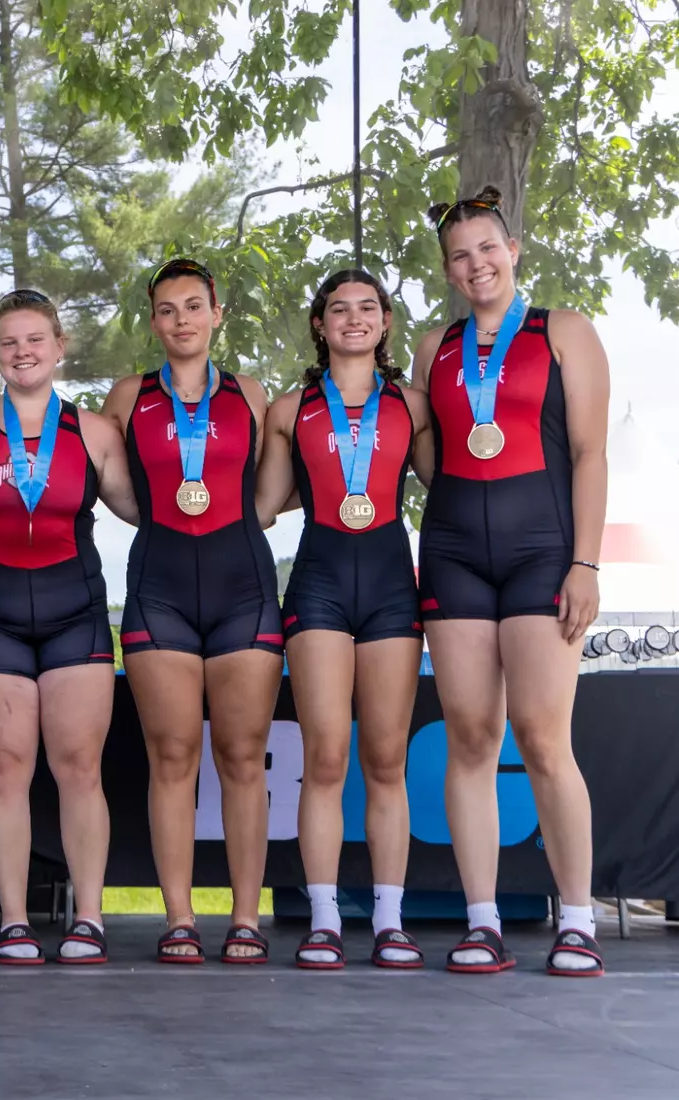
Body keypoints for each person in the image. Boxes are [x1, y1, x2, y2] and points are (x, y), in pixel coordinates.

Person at [410, 187, 608, 976]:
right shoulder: (435, 347)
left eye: (487, 247)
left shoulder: (565, 331)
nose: (476, 263)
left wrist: (585, 562)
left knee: (541, 736)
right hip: (454, 550)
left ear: (514, 248)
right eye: (461, 255)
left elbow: (590, 455)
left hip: (542, 553)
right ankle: (482, 919)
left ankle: (580, 921)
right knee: (469, 736)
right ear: (450, 271)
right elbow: (428, 457)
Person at [0, 290, 140, 964]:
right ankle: (15, 920)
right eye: (9, 342)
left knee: (79, 769)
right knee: (6, 770)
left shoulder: (94, 430)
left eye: (35, 340)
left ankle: (89, 917)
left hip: (73, 613)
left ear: (59, 347)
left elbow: (144, 510)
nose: (22, 352)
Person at [103, 258, 279, 964]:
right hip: (160, 585)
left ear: (217, 314)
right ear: (154, 321)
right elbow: (105, 483)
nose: (182, 319)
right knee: (171, 757)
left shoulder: (252, 395)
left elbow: (271, 493)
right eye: (168, 309)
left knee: (241, 758)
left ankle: (245, 919)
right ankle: (178, 918)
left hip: (243, 585)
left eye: (193, 306)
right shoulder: (127, 397)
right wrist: (152, 516)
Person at [256, 270, 433, 969]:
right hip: (320, 586)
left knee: (385, 761)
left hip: (392, 586)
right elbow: (264, 503)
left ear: (384, 322)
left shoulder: (413, 405)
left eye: (366, 308)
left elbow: (449, 486)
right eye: (339, 309)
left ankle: (390, 919)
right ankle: (324, 917)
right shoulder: (288, 407)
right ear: (319, 325)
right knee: (325, 757)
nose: (353, 319)